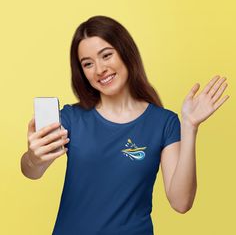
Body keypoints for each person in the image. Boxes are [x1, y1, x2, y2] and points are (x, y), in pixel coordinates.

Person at [20, 15, 229, 235]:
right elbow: (31, 171)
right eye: (88, 64)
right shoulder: (72, 118)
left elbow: (181, 202)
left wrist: (190, 127)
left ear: (125, 52)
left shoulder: (164, 123)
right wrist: (34, 159)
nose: (100, 69)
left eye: (107, 55)